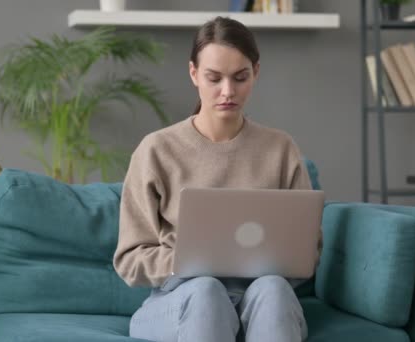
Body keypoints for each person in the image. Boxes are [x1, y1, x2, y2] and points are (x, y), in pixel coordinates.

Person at [113, 16, 322, 342]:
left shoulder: (280, 149)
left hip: (261, 301)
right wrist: (191, 262)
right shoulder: (157, 150)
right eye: (214, 78)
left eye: (240, 78)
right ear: (194, 73)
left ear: (256, 72)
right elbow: (129, 259)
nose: (228, 92)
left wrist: (266, 263)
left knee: (274, 289)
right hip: (181, 298)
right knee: (207, 292)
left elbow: (308, 250)